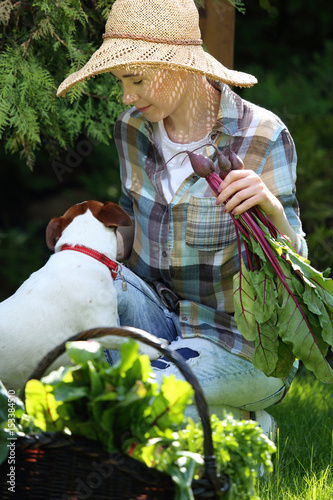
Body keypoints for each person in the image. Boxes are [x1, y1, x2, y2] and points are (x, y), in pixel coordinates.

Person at [57, 0, 307, 436]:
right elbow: (133, 227)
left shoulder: (262, 136)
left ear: (182, 67)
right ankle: (227, 420)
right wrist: (87, 246)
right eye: (120, 82)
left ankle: (227, 419)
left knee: (131, 397)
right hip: (159, 318)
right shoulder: (131, 129)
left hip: (243, 344)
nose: (126, 96)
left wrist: (270, 207)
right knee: (75, 329)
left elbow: (297, 270)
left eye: (136, 80)